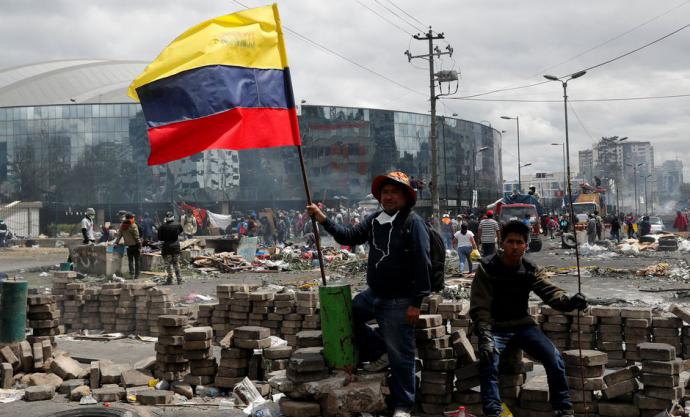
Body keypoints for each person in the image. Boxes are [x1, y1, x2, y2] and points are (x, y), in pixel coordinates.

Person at [306, 171, 430, 417]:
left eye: (395, 192)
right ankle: (378, 349)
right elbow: (348, 236)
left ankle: (403, 406)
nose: (389, 196)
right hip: (374, 294)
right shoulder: (375, 220)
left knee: (401, 355)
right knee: (346, 316)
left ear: (406, 196)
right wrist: (323, 219)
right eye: (385, 192)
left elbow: (422, 263)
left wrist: (416, 302)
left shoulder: (412, 223)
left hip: (399, 299)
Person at [470, 220, 587, 417]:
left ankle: (564, 407)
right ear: (502, 242)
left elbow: (550, 292)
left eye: (519, 242)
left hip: (522, 325)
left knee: (554, 358)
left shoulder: (530, 269)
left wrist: (569, 301)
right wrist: (485, 335)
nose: (515, 247)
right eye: (510, 241)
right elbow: (479, 306)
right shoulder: (487, 268)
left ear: (526, 245)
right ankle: (493, 411)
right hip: (495, 327)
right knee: (489, 362)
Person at [158, 211, 184, 285]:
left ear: (166, 218)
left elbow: (160, 238)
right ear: (173, 217)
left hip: (166, 248)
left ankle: (170, 280)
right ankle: (179, 280)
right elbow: (181, 232)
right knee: (176, 263)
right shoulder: (178, 225)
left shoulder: (162, 227)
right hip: (176, 247)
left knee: (168, 265)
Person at [114, 213, 142, 279]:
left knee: (130, 261)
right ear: (131, 218)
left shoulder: (122, 225)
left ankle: (132, 274)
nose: (133, 218)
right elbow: (137, 237)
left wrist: (116, 243)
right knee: (137, 260)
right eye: (133, 217)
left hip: (128, 246)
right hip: (135, 246)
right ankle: (137, 275)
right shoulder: (133, 225)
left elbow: (119, 236)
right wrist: (140, 245)